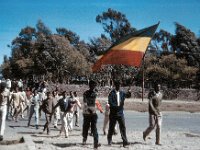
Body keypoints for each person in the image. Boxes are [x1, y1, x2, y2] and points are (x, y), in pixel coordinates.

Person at [107, 80, 129, 147]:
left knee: (123, 127)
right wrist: (117, 107)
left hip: (120, 113)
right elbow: (110, 103)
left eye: (120, 85)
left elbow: (128, 95)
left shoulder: (122, 93)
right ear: (115, 85)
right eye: (117, 85)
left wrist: (129, 92)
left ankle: (125, 142)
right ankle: (109, 140)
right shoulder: (111, 93)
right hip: (113, 113)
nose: (119, 86)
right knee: (111, 127)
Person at [82, 80, 101, 149]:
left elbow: (96, 102)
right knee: (86, 127)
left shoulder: (95, 93)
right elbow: (85, 102)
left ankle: (96, 143)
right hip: (87, 113)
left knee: (94, 128)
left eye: (94, 85)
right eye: (92, 85)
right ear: (90, 85)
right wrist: (88, 109)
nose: (94, 86)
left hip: (93, 113)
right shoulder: (86, 93)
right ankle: (84, 138)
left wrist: (97, 109)